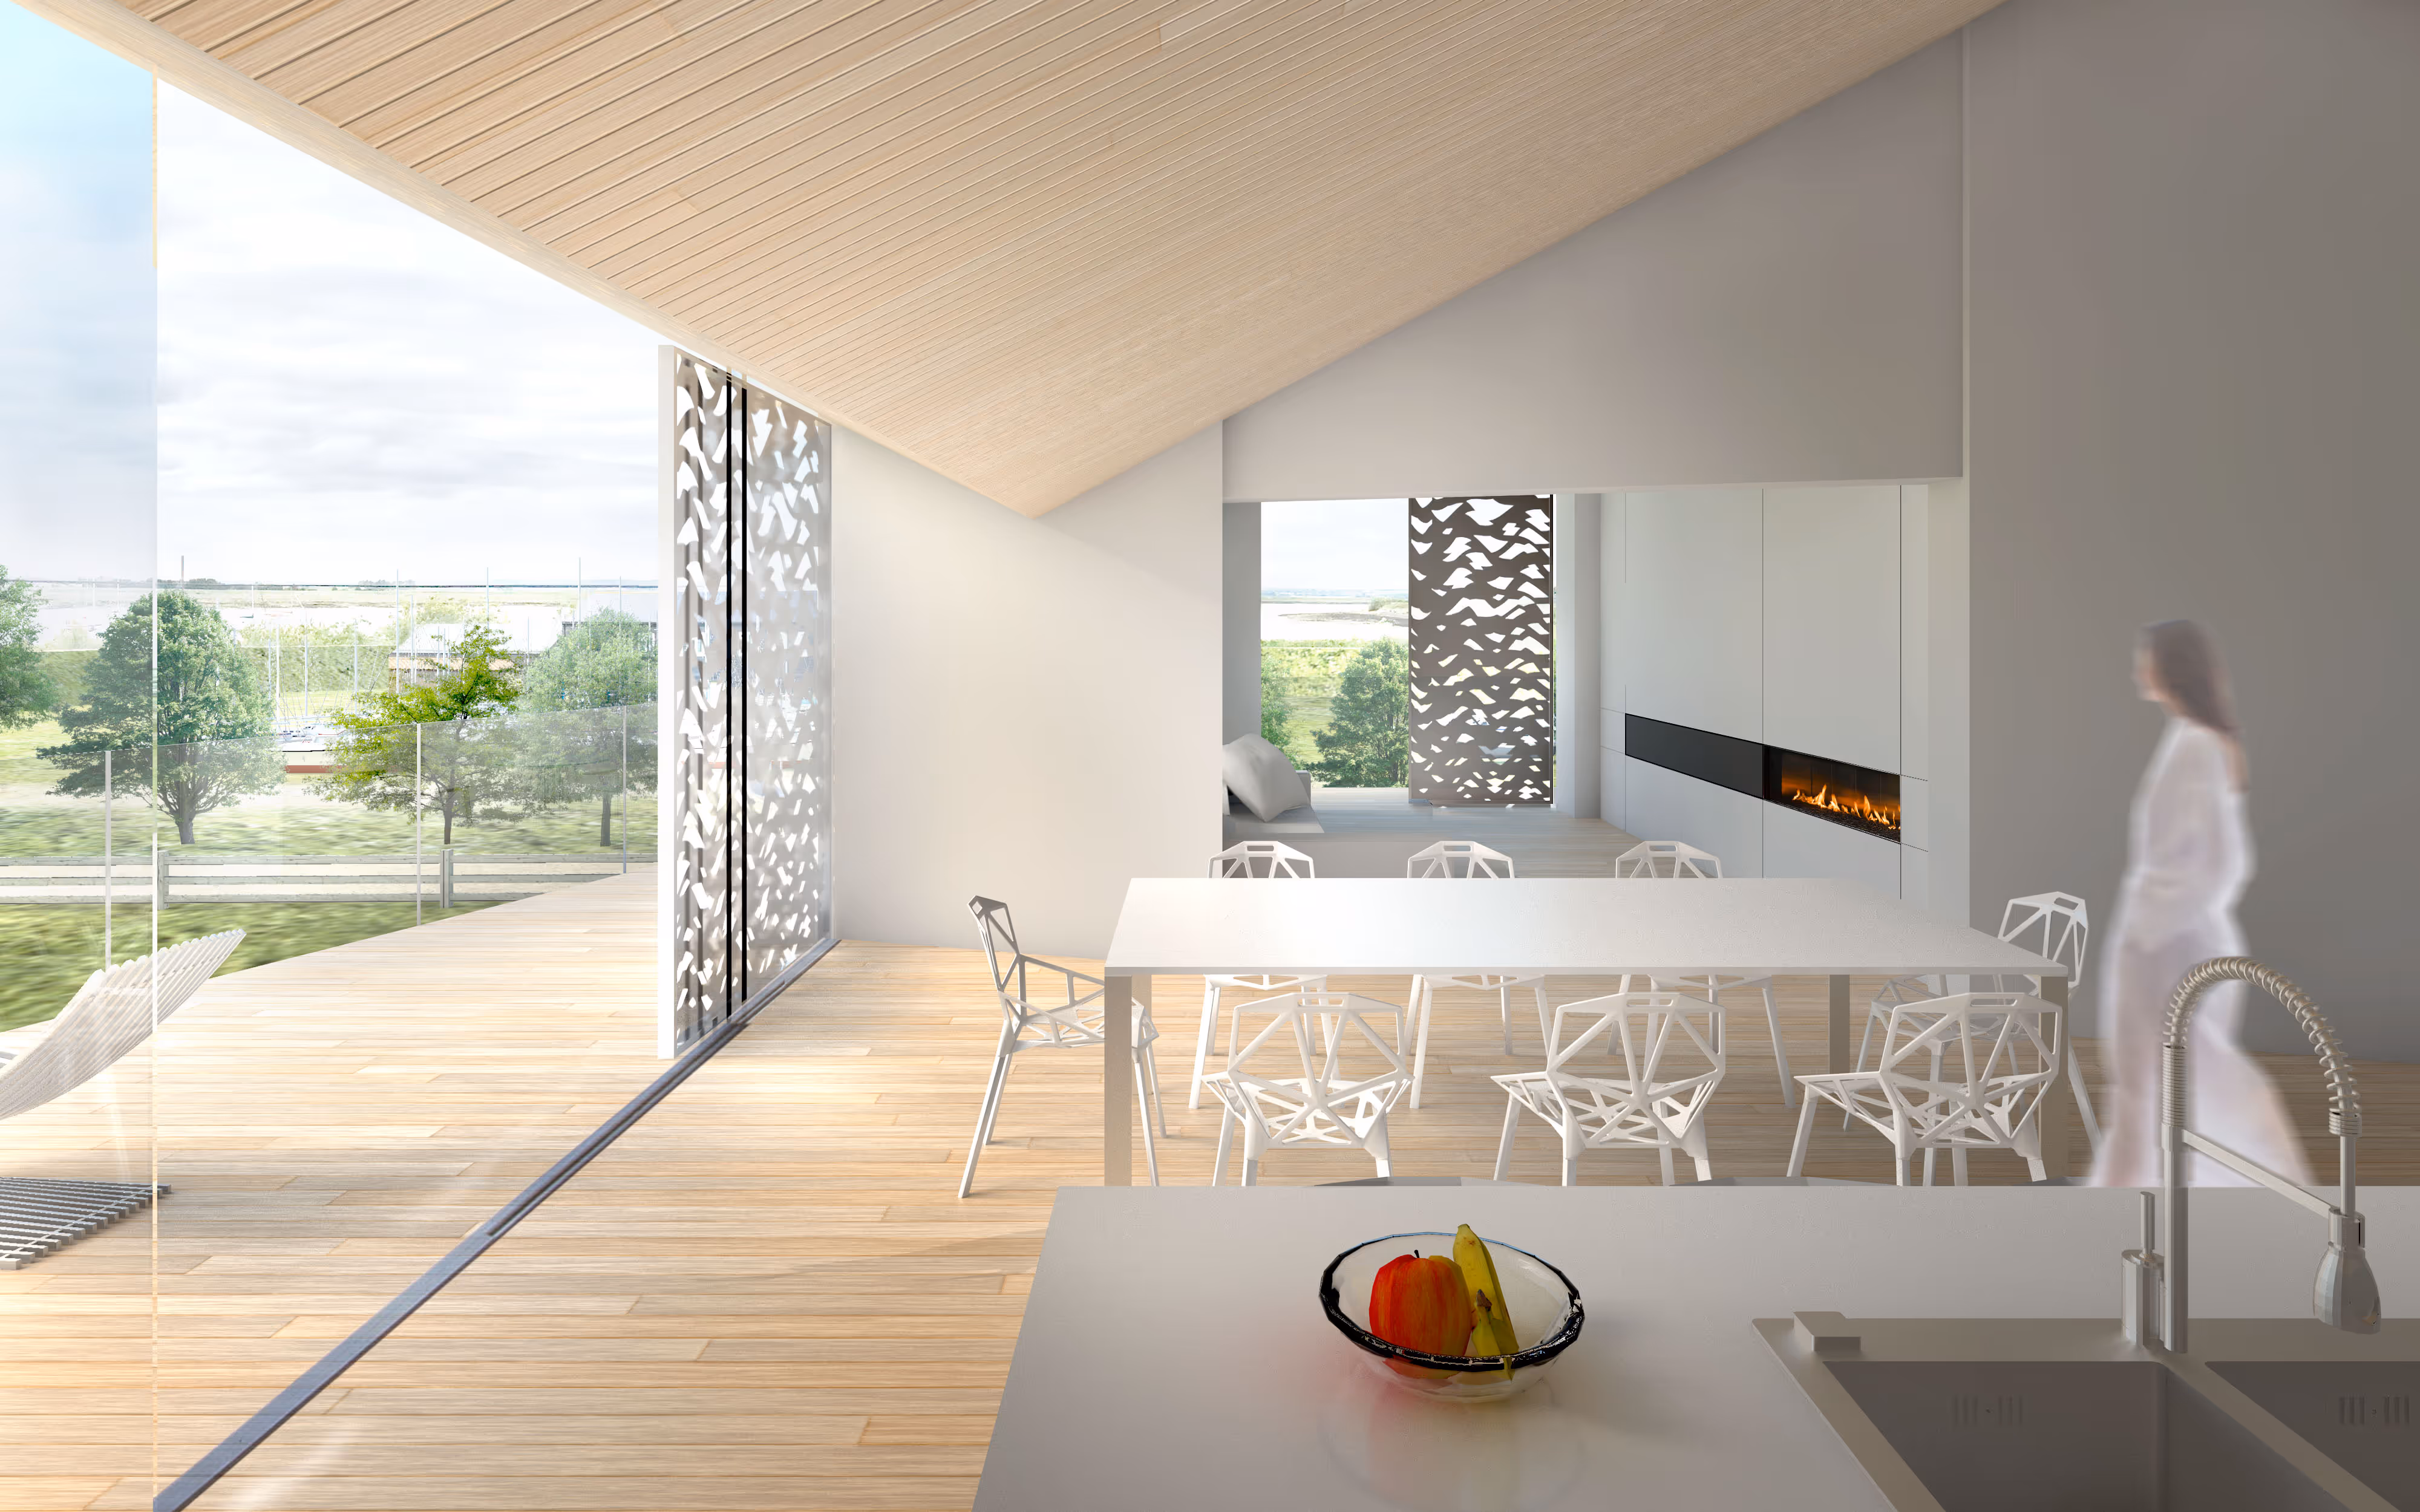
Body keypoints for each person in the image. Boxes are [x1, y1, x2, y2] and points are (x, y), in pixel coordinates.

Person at [2088, 620, 2310, 1189]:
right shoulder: (2198, 740)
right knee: (2165, 1078)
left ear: (2169, 668)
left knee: (2164, 1076)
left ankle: (2136, 1197)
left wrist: (2152, 923)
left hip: (2167, 942)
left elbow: (2220, 859)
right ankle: (2143, 1192)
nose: (2138, 670)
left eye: (2146, 660)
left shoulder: (2196, 747)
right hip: (2169, 933)